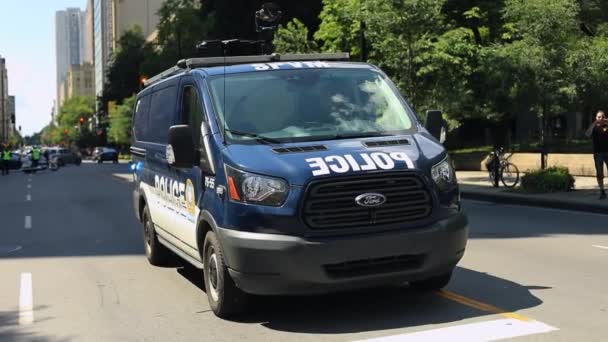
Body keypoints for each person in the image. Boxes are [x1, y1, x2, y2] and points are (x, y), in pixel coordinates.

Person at [585, 110, 608, 199]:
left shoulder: (606, 126)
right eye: (598, 117)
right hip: (598, 154)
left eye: (602, 117)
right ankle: (602, 192)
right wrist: (594, 123)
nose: (600, 118)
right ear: (596, 118)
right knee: (599, 173)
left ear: (604, 117)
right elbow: (587, 134)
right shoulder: (593, 127)